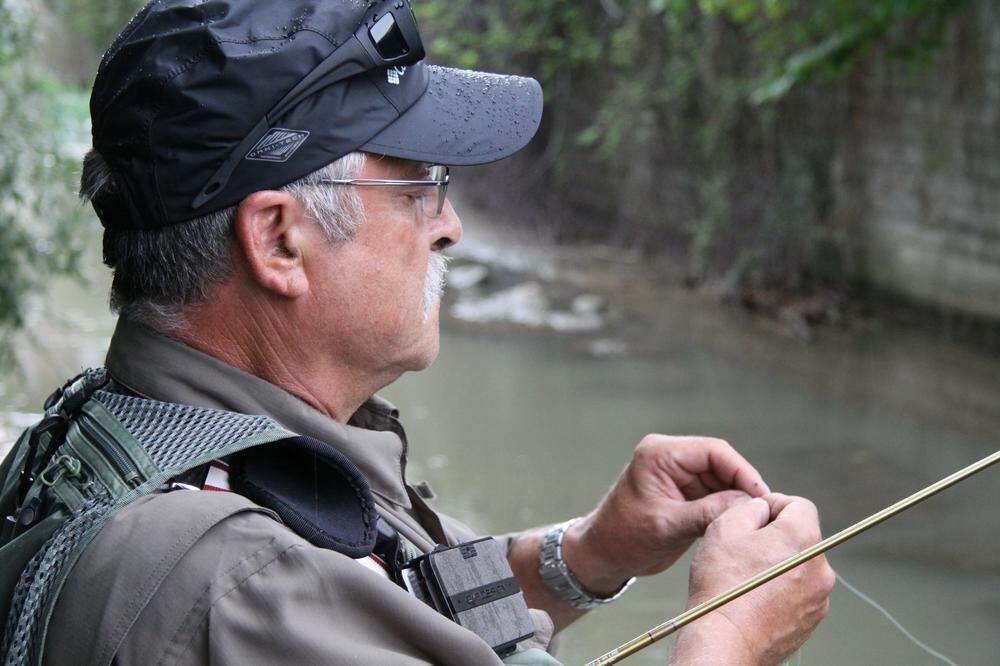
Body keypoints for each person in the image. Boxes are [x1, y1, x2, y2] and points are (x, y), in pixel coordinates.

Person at [38, 0, 835, 664]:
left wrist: (591, 555)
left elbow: (396, 597)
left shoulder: (150, 436)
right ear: (280, 239)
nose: (449, 227)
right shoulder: (235, 584)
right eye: (420, 188)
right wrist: (731, 634)